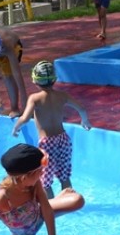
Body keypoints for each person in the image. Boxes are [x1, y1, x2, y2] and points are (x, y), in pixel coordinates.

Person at [11, 60, 90, 211]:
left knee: (45, 181)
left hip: (47, 143)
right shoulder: (62, 95)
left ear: (34, 80)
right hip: (63, 140)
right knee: (64, 176)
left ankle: (53, 208)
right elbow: (82, 108)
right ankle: (70, 204)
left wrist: (16, 127)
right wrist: (84, 121)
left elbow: (26, 118)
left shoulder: (35, 98)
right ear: (55, 79)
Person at [0, 143, 70, 235]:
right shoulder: (3, 197)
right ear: (24, 177)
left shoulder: (34, 183)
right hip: (23, 232)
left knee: (78, 200)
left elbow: (46, 209)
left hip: (37, 216)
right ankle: (60, 198)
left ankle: (60, 198)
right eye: (40, 171)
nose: (43, 173)